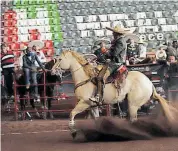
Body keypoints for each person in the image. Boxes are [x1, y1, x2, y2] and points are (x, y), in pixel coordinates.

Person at [89, 26, 130, 104]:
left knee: (100, 77)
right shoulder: (118, 40)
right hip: (112, 63)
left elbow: (113, 54)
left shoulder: (120, 42)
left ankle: (98, 97)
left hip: (115, 64)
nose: (112, 33)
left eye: (113, 32)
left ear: (117, 34)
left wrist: (104, 50)